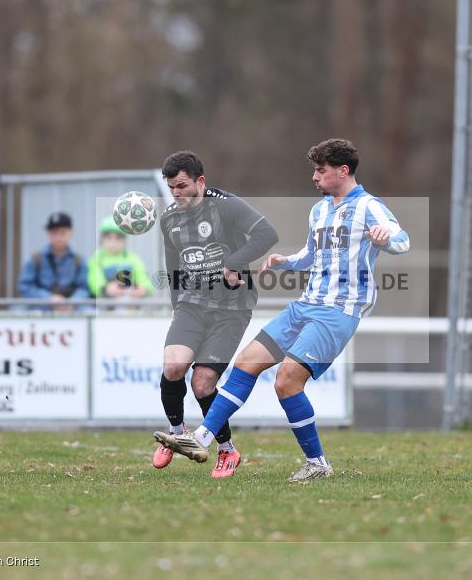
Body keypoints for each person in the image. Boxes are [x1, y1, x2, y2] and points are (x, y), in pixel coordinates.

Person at [156, 139, 409, 483]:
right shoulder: (320, 210)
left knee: (287, 381)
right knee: (247, 362)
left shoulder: (368, 207)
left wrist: (385, 238)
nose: (315, 177)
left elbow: (401, 239)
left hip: (338, 310)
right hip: (305, 304)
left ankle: (317, 463)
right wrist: (285, 262)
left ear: (343, 171)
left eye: (321, 170)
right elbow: (311, 254)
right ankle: (200, 438)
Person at [150, 150, 278, 478]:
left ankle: (227, 450)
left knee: (203, 382)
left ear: (200, 182)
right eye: (171, 188)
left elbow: (268, 235)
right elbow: (173, 264)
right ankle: (176, 435)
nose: (176, 194)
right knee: (173, 365)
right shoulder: (169, 219)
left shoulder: (226, 206)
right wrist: (176, 302)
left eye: (181, 186)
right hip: (192, 305)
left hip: (232, 309)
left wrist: (235, 263)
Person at [17, 212, 89, 311]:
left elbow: (84, 288)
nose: (58, 238)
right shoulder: (35, 259)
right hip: (41, 312)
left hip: (72, 312)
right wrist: (48, 298)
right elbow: (24, 287)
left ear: (71, 233)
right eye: (54, 233)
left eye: (62, 232)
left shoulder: (79, 261)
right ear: (48, 233)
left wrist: (72, 302)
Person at [87, 215, 153, 300]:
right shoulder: (97, 259)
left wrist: (144, 289)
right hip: (104, 306)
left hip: (130, 306)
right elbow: (94, 280)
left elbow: (144, 279)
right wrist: (105, 289)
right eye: (109, 238)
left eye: (118, 238)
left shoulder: (133, 259)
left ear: (124, 240)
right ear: (102, 239)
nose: (113, 243)